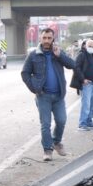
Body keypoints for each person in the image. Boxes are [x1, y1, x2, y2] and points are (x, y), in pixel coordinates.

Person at [21, 28, 76, 161]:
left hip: (58, 96)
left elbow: (72, 65)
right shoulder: (34, 55)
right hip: (43, 96)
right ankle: (47, 150)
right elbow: (25, 73)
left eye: (49, 38)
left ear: (53, 39)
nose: (46, 41)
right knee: (45, 124)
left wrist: (60, 56)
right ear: (40, 39)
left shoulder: (57, 53)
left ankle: (56, 142)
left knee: (61, 121)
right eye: (44, 38)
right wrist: (34, 88)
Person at [74, 39, 93, 131]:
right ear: (85, 46)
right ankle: (82, 124)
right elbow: (76, 67)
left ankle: (89, 122)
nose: (92, 48)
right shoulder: (82, 55)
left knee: (92, 105)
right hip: (86, 84)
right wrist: (83, 79)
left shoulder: (92, 55)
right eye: (90, 46)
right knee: (86, 105)